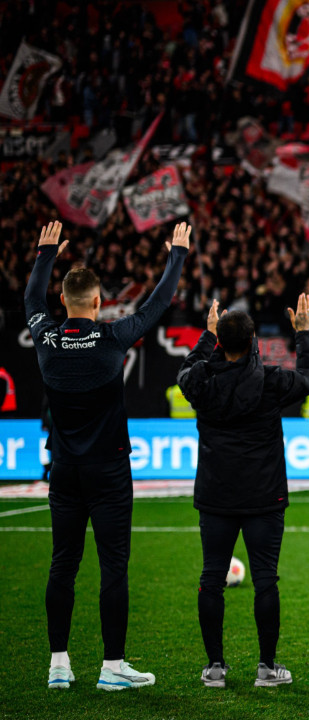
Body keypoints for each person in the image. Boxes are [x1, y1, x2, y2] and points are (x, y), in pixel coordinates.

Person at [28, 221, 191, 691]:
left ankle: (59, 663)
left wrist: (44, 256)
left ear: (64, 302)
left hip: (64, 471)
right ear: (99, 303)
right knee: (113, 566)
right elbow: (158, 304)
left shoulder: (45, 338)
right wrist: (176, 255)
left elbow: (30, 302)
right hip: (110, 473)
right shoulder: (112, 337)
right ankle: (111, 667)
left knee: (63, 563)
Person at [177, 294, 309, 688]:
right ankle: (267, 668)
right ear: (255, 340)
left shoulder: (200, 381)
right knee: (266, 580)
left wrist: (207, 338)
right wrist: (304, 333)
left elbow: (186, 370)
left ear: (220, 342)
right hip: (263, 497)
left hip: (217, 496)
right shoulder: (270, 380)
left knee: (211, 578)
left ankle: (215, 668)